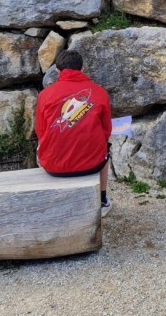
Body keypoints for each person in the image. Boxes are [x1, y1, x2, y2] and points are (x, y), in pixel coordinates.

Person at [35, 50, 113, 216]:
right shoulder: (99, 92)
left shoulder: (45, 95)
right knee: (106, 148)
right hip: (92, 165)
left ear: (57, 71)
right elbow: (107, 130)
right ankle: (102, 200)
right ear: (82, 69)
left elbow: (40, 131)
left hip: (53, 165)